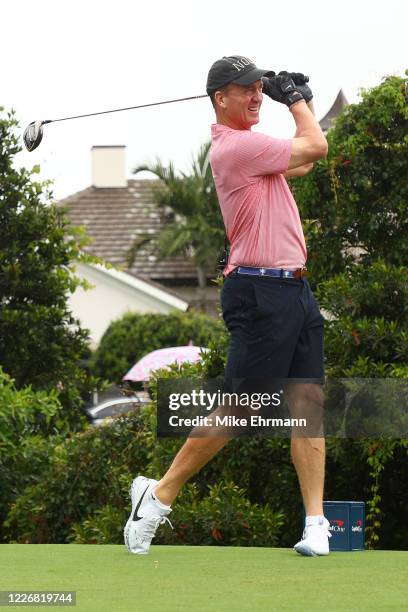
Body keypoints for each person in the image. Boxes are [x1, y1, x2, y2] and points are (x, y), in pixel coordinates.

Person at [124, 55, 331, 557]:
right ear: (221, 98)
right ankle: (158, 496)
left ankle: (315, 524)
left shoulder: (257, 152)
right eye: (247, 90)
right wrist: (298, 100)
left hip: (295, 291)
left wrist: (297, 105)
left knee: (308, 406)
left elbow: (303, 159)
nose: (258, 95)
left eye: (262, 88)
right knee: (239, 409)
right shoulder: (235, 147)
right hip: (259, 293)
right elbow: (317, 144)